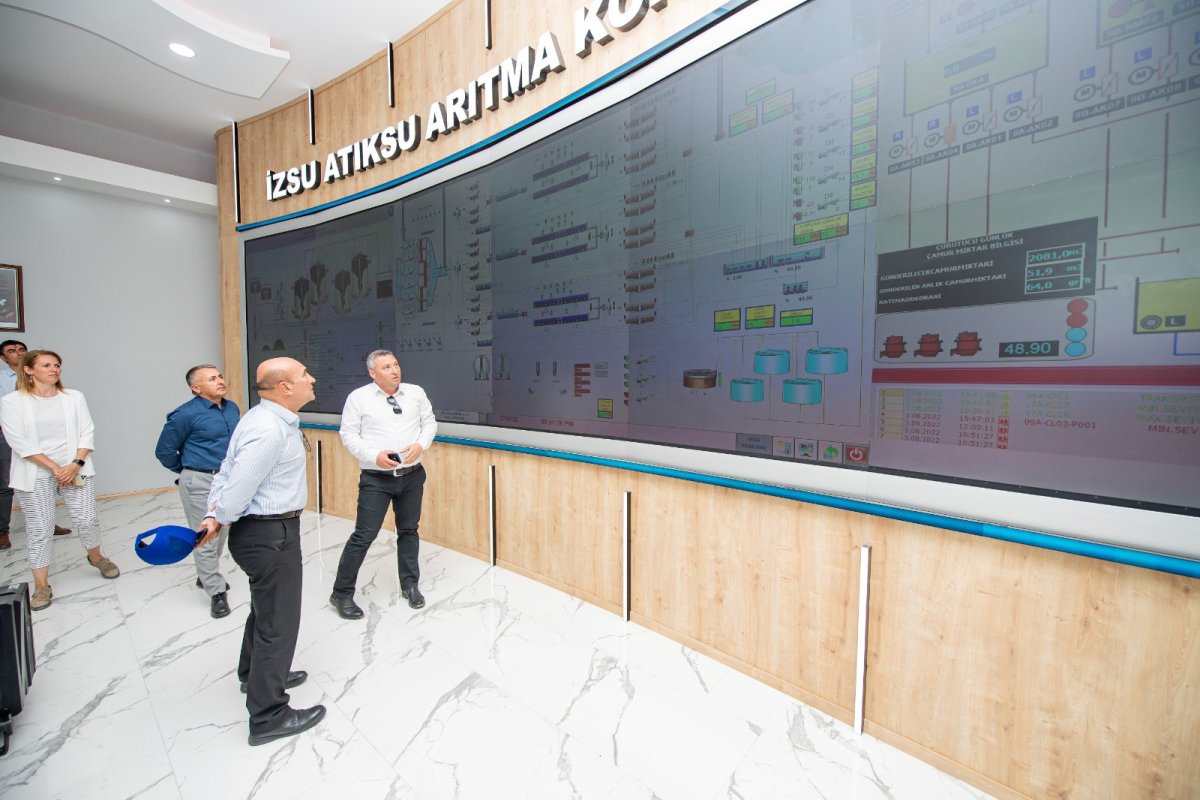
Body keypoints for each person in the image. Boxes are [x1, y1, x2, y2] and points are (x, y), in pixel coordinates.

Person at [196, 356, 325, 746]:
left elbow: (226, 470)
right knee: (278, 622)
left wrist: (214, 514)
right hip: (269, 533)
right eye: (304, 374)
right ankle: (269, 716)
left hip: (263, 532)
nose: (311, 378)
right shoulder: (269, 429)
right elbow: (238, 487)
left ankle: (253, 675)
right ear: (285, 387)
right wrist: (219, 515)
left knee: (266, 611)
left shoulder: (260, 418)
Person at [0, 350, 118, 611]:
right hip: (35, 472)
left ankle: (96, 556)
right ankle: (41, 585)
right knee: (40, 528)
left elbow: (87, 432)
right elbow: (18, 441)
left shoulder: (74, 397)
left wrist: (74, 464)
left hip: (75, 467)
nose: (54, 369)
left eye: (57, 365)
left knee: (87, 519)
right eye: (46, 365)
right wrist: (55, 468)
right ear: (29, 370)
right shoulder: (11, 402)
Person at [330, 349, 437, 619]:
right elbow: (348, 434)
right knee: (364, 535)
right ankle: (341, 594)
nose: (394, 370)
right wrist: (373, 455)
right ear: (372, 373)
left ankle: (410, 585)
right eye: (386, 367)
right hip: (376, 479)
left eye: (396, 364)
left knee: (409, 530)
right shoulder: (359, 398)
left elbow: (429, 423)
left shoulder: (415, 393)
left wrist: (421, 444)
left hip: (412, 476)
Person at [154, 365, 240, 618]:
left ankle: (205, 575)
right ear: (196, 388)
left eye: (220, 376)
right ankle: (216, 591)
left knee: (222, 530)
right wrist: (189, 471)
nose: (220, 381)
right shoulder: (185, 414)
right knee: (205, 535)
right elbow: (164, 451)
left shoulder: (232, 408)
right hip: (200, 480)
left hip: (228, 480)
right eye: (212, 379)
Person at [0, 339, 70, 551]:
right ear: (3, 358)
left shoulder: (45, 379)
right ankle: (2, 531)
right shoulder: (2, 380)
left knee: (47, 478)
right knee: (6, 483)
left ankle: (48, 522)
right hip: (7, 433)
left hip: (39, 435)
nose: (18, 353)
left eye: (22, 349)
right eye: (12, 351)